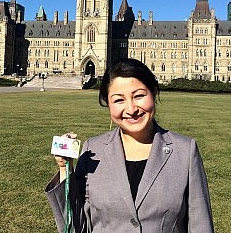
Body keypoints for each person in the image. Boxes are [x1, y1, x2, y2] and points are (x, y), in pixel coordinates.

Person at [45, 58, 214, 233]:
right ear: (108, 104)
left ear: (154, 93)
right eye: (119, 100)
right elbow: (76, 227)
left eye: (139, 96)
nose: (131, 109)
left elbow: (201, 225)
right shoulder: (92, 150)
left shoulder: (185, 151)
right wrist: (65, 168)